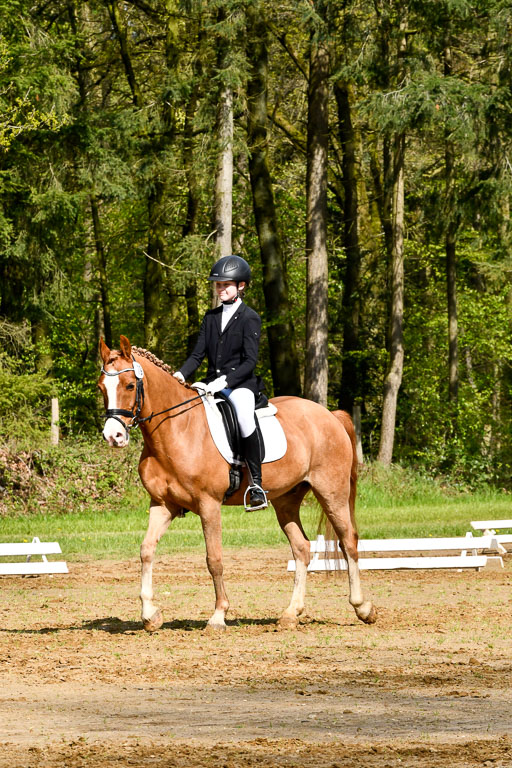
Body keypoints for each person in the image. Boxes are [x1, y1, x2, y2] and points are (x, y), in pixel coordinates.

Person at [173, 255, 267, 510]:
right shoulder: (211, 317)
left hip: (240, 385)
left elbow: (250, 361)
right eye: (218, 285)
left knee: (245, 417)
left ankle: (256, 484)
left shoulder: (250, 318)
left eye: (226, 285)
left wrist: (225, 381)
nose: (220, 289)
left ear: (241, 286)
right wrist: (180, 375)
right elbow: (197, 355)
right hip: (211, 383)